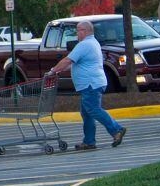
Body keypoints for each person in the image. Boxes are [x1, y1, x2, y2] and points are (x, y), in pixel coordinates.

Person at [46, 20, 127, 150]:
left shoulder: (85, 45)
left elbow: (68, 60)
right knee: (87, 113)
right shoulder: (93, 43)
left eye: (78, 30)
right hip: (93, 83)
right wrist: (59, 70)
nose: (77, 33)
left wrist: (52, 71)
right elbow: (74, 63)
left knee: (93, 109)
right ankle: (89, 141)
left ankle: (116, 129)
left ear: (85, 31)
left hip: (91, 84)